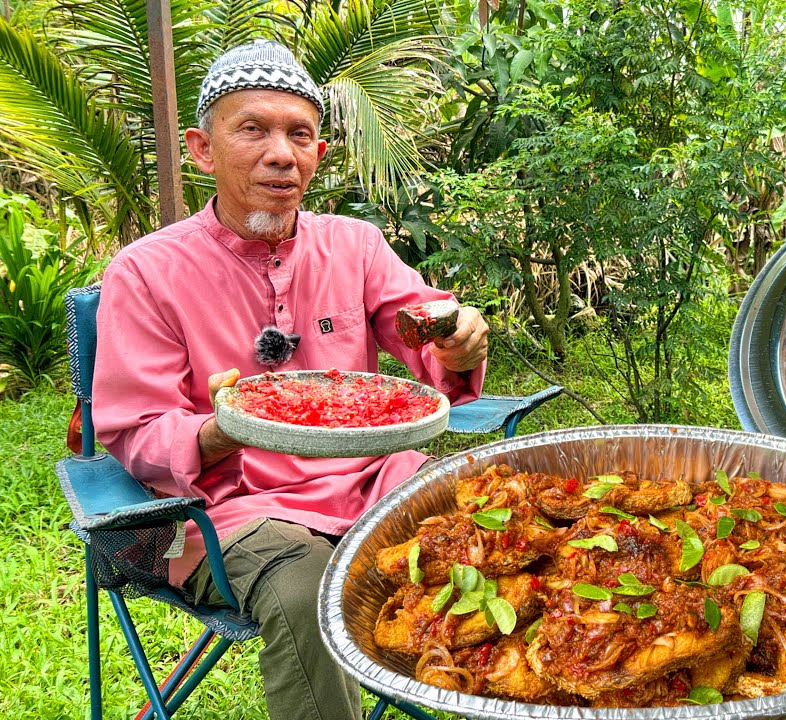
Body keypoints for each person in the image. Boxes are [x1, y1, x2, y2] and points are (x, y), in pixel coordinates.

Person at [92, 39, 489, 720]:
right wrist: (228, 427)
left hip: (372, 482)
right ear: (202, 149)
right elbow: (138, 435)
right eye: (253, 129)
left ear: (318, 155)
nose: (281, 152)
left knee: (500, 537)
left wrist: (454, 344)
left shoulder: (355, 246)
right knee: (311, 591)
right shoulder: (145, 271)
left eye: (298, 133)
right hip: (228, 511)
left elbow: (420, 328)